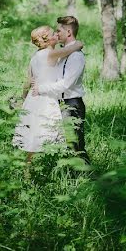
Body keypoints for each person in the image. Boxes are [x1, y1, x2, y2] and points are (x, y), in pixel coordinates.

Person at [12, 26, 84, 163]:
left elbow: (28, 81)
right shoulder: (51, 54)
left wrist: (23, 99)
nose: (56, 35)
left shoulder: (35, 56)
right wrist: (79, 43)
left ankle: (28, 171)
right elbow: (72, 48)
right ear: (48, 40)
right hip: (45, 99)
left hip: (32, 99)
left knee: (33, 136)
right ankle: (54, 167)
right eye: (53, 33)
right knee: (47, 134)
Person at [31, 16, 89, 164]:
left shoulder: (76, 56)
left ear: (68, 32)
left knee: (76, 145)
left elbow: (65, 85)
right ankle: (73, 176)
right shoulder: (64, 53)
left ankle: (87, 177)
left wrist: (41, 88)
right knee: (67, 144)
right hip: (61, 103)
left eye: (58, 31)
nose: (56, 34)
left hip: (72, 104)